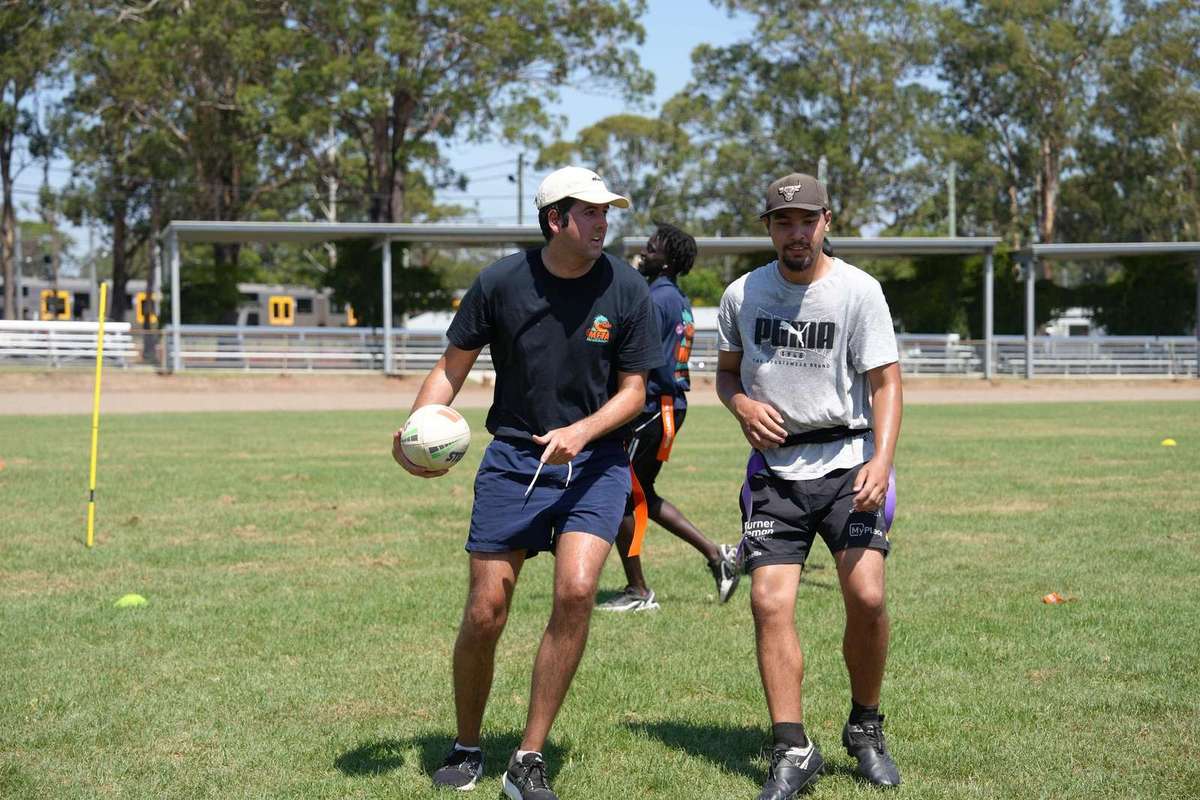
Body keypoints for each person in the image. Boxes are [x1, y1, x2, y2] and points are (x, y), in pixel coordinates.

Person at [392, 166, 660, 800]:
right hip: (514, 460)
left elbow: (634, 393)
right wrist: (415, 429)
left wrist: (582, 432)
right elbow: (451, 366)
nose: (602, 222)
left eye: (606, 212)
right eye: (590, 212)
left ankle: (528, 758)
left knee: (577, 591)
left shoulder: (627, 289)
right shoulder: (501, 283)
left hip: (595, 463)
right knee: (486, 611)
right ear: (555, 220)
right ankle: (467, 745)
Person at [715, 172, 904, 794]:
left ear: (827, 221)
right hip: (775, 475)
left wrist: (881, 461)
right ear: (769, 228)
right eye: (783, 222)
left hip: (851, 465)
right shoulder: (743, 294)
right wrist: (742, 406)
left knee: (867, 596)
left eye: (806, 220)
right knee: (768, 602)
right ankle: (792, 748)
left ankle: (865, 726)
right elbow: (726, 375)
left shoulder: (859, 291)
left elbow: (886, 384)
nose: (795, 233)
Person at [597, 221, 740, 612]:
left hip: (650, 408)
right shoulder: (672, 297)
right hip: (664, 407)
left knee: (622, 497)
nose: (645, 251)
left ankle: (638, 591)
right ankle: (716, 555)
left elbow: (643, 360)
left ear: (668, 261)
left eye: (653, 247)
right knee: (641, 493)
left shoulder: (655, 299)